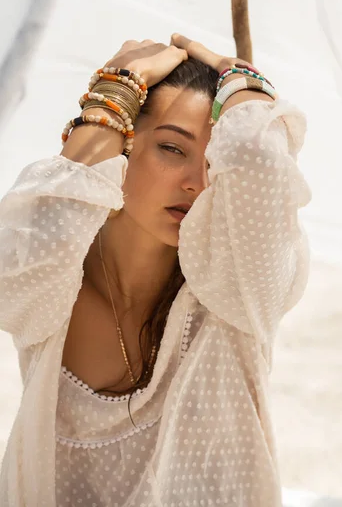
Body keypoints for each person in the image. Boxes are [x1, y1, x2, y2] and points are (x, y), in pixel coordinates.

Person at [0, 34, 312, 506]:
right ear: (122, 146)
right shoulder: (53, 276)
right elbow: (26, 245)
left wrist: (242, 82)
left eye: (212, 160)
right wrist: (114, 94)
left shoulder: (235, 290)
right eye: (172, 148)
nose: (198, 182)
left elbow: (254, 156)